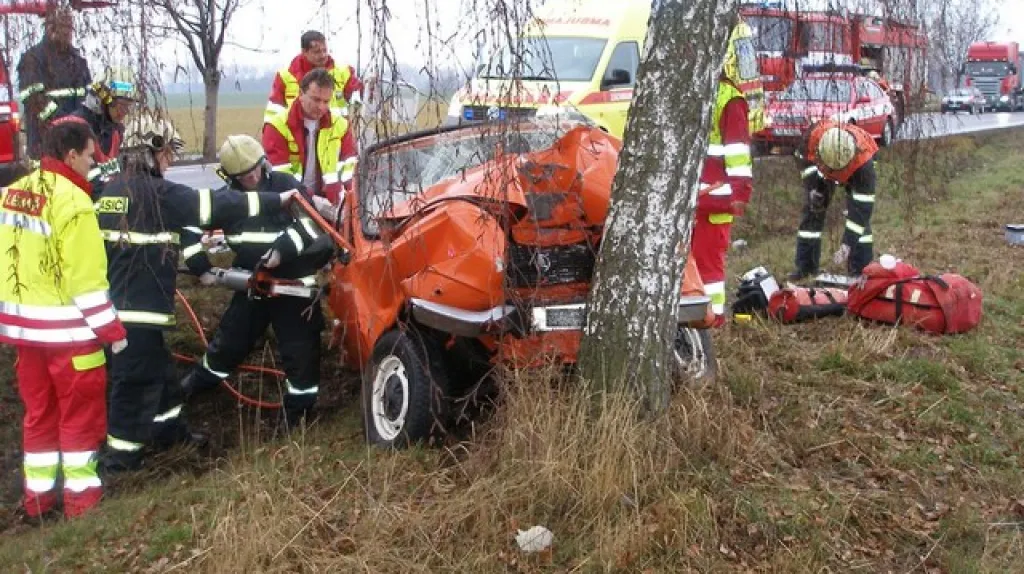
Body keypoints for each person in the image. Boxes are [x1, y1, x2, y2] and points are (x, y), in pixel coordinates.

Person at [95, 114, 300, 472]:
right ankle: (119, 463)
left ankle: (169, 431)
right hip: (137, 315)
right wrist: (275, 201)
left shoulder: (112, 192)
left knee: (161, 375)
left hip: (120, 312)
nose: (171, 161)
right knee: (133, 385)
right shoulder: (158, 193)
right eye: (167, 153)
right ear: (150, 151)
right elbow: (215, 207)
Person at [0, 117, 128, 520]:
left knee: (38, 415)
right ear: (72, 155)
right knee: (80, 419)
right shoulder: (74, 203)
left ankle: (37, 501)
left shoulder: (15, 193)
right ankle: (82, 502)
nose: (93, 165)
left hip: (23, 332)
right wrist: (112, 331)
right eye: (91, 157)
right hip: (70, 335)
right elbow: (86, 281)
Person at [179, 135, 337, 428]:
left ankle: (297, 418)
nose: (252, 178)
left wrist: (280, 252)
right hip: (253, 287)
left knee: (300, 355)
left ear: (263, 162)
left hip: (294, 290)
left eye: (255, 169)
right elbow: (188, 227)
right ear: (229, 177)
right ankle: (190, 390)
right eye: (243, 176)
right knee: (228, 345)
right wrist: (201, 267)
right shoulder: (227, 201)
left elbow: (311, 223)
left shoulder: (285, 185)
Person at [692, 19, 763, 326]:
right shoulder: (730, 98)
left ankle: (690, 320)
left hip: (688, 198)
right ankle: (712, 322)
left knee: (688, 264)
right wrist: (741, 195)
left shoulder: (690, 91)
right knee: (710, 267)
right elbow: (737, 156)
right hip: (717, 199)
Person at [788, 119, 879, 281]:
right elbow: (801, 158)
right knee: (813, 210)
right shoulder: (812, 137)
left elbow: (861, 211)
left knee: (859, 220)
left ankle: (860, 268)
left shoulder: (864, 167)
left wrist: (846, 245)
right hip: (822, 170)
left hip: (854, 170)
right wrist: (812, 187)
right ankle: (806, 267)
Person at [262, 67, 358, 205]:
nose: (321, 107)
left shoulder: (340, 125)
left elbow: (350, 170)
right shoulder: (276, 126)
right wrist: (314, 202)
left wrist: (347, 202)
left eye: (326, 101)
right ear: (300, 94)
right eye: (316, 100)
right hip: (291, 203)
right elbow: (282, 179)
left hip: (333, 202)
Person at [16, 7, 91, 159]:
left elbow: (88, 99)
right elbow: (34, 101)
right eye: (64, 26)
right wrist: (66, 125)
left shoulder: (78, 61)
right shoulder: (33, 59)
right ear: (50, 27)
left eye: (70, 27)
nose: (68, 32)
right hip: (45, 143)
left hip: (76, 144)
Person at [265, 30, 363, 123]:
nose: (323, 55)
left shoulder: (343, 72)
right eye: (317, 52)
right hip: (296, 136)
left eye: (325, 50)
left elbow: (359, 97)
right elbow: (273, 111)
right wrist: (270, 134)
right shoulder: (285, 76)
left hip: (335, 135)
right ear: (304, 52)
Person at [72, 66, 139, 194]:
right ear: (100, 100)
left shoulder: (116, 131)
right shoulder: (75, 129)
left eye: (129, 106)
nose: (124, 112)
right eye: (121, 106)